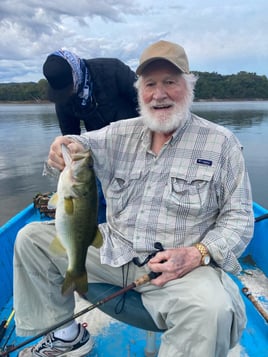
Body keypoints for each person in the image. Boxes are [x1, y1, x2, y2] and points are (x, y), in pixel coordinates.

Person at [14, 40, 254, 357]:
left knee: (216, 309)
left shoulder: (222, 143)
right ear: (139, 91)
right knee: (30, 240)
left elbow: (239, 218)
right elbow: (79, 143)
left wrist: (198, 253)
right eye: (150, 84)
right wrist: (63, 146)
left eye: (170, 82)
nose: (159, 94)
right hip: (113, 252)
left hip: (178, 270)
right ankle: (68, 336)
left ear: (189, 85)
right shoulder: (118, 133)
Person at [43, 49, 139, 224]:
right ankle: (99, 231)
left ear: (75, 73)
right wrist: (65, 156)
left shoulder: (112, 69)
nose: (68, 93)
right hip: (99, 149)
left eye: (68, 88)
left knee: (132, 197)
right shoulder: (64, 98)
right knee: (95, 194)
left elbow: (145, 99)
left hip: (135, 143)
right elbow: (70, 137)